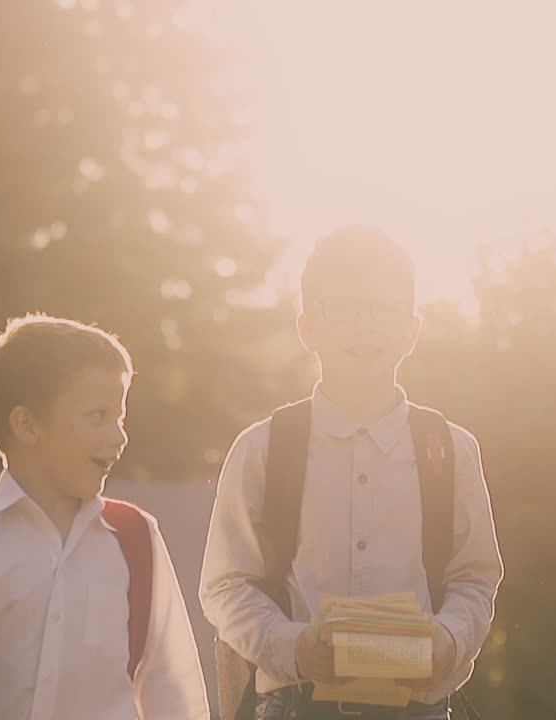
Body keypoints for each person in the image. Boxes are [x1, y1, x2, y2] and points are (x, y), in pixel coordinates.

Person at [201, 227, 504, 719]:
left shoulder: (450, 451)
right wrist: (295, 646)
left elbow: (475, 578)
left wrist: (449, 640)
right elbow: (225, 585)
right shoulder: (262, 448)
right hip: (293, 707)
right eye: (341, 308)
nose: (364, 326)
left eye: (384, 308)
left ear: (411, 331)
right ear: (308, 328)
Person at [0, 313, 209, 719]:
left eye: (120, 417)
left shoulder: (136, 539)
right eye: (98, 416)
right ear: (27, 424)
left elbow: (173, 689)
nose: (120, 435)